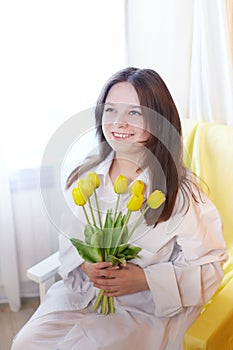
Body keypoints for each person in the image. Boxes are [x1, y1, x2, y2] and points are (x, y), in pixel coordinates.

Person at [11, 67, 227, 350]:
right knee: (25, 343)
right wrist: (85, 264)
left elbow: (210, 268)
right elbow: (69, 242)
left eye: (134, 113)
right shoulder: (84, 178)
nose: (118, 123)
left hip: (144, 309)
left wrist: (146, 280)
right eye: (111, 110)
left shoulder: (181, 194)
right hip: (80, 296)